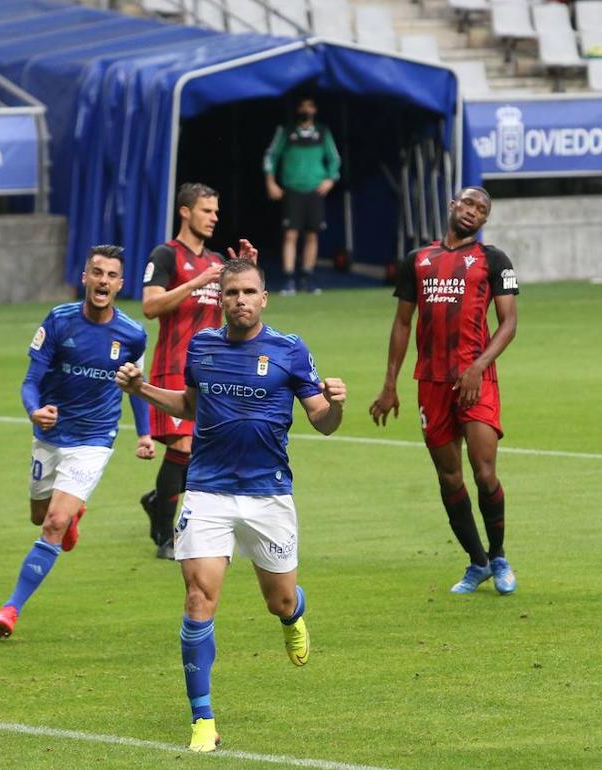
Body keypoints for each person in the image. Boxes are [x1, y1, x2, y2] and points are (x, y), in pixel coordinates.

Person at [115, 258, 347, 753]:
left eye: (248, 292)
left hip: (269, 494)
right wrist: (143, 390)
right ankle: (203, 719)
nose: (239, 300)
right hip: (207, 490)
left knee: (278, 599)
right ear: (220, 299)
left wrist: (337, 402)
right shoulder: (202, 346)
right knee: (199, 599)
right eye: (231, 293)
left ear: (264, 298)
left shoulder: (290, 350)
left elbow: (323, 422)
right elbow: (190, 407)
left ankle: (292, 617)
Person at [0, 245, 154, 639]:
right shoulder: (59, 321)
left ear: (120, 284)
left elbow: (135, 387)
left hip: (95, 438)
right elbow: (31, 381)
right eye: (96, 272)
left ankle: (11, 608)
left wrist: (146, 434)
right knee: (38, 515)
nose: (103, 281)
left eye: (111, 275)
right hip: (50, 434)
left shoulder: (132, 335)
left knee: (52, 523)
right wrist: (34, 411)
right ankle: (72, 515)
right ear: (85, 277)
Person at [368, 187, 519, 596]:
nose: (472, 212)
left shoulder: (494, 260)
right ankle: (478, 562)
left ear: (485, 219)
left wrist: (479, 367)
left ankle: (500, 555)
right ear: (453, 205)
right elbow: (402, 323)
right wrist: (389, 385)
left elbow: (508, 323)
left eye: (481, 209)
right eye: (467, 204)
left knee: (484, 472)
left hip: (476, 379)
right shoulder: (418, 260)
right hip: (431, 382)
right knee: (449, 476)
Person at [138, 182, 258, 560]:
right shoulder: (167, 255)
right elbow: (150, 306)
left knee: (207, 450)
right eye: (207, 211)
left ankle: (159, 500)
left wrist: (246, 270)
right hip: (173, 368)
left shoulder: (215, 264)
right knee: (183, 445)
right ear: (185, 212)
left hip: (213, 371)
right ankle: (164, 536)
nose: (214, 218)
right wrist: (193, 283)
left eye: (216, 212)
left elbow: (242, 311)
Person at [263, 94, 341, 296]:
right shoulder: (286, 131)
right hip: (293, 189)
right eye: (303, 106)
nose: (306, 110)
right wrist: (271, 182)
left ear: (315, 110)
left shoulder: (323, 132)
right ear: (297, 110)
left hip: (314, 190)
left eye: (310, 106)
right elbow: (271, 155)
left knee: (312, 235)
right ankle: (289, 279)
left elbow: (334, 158)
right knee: (290, 234)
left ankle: (308, 276)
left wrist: (330, 179)